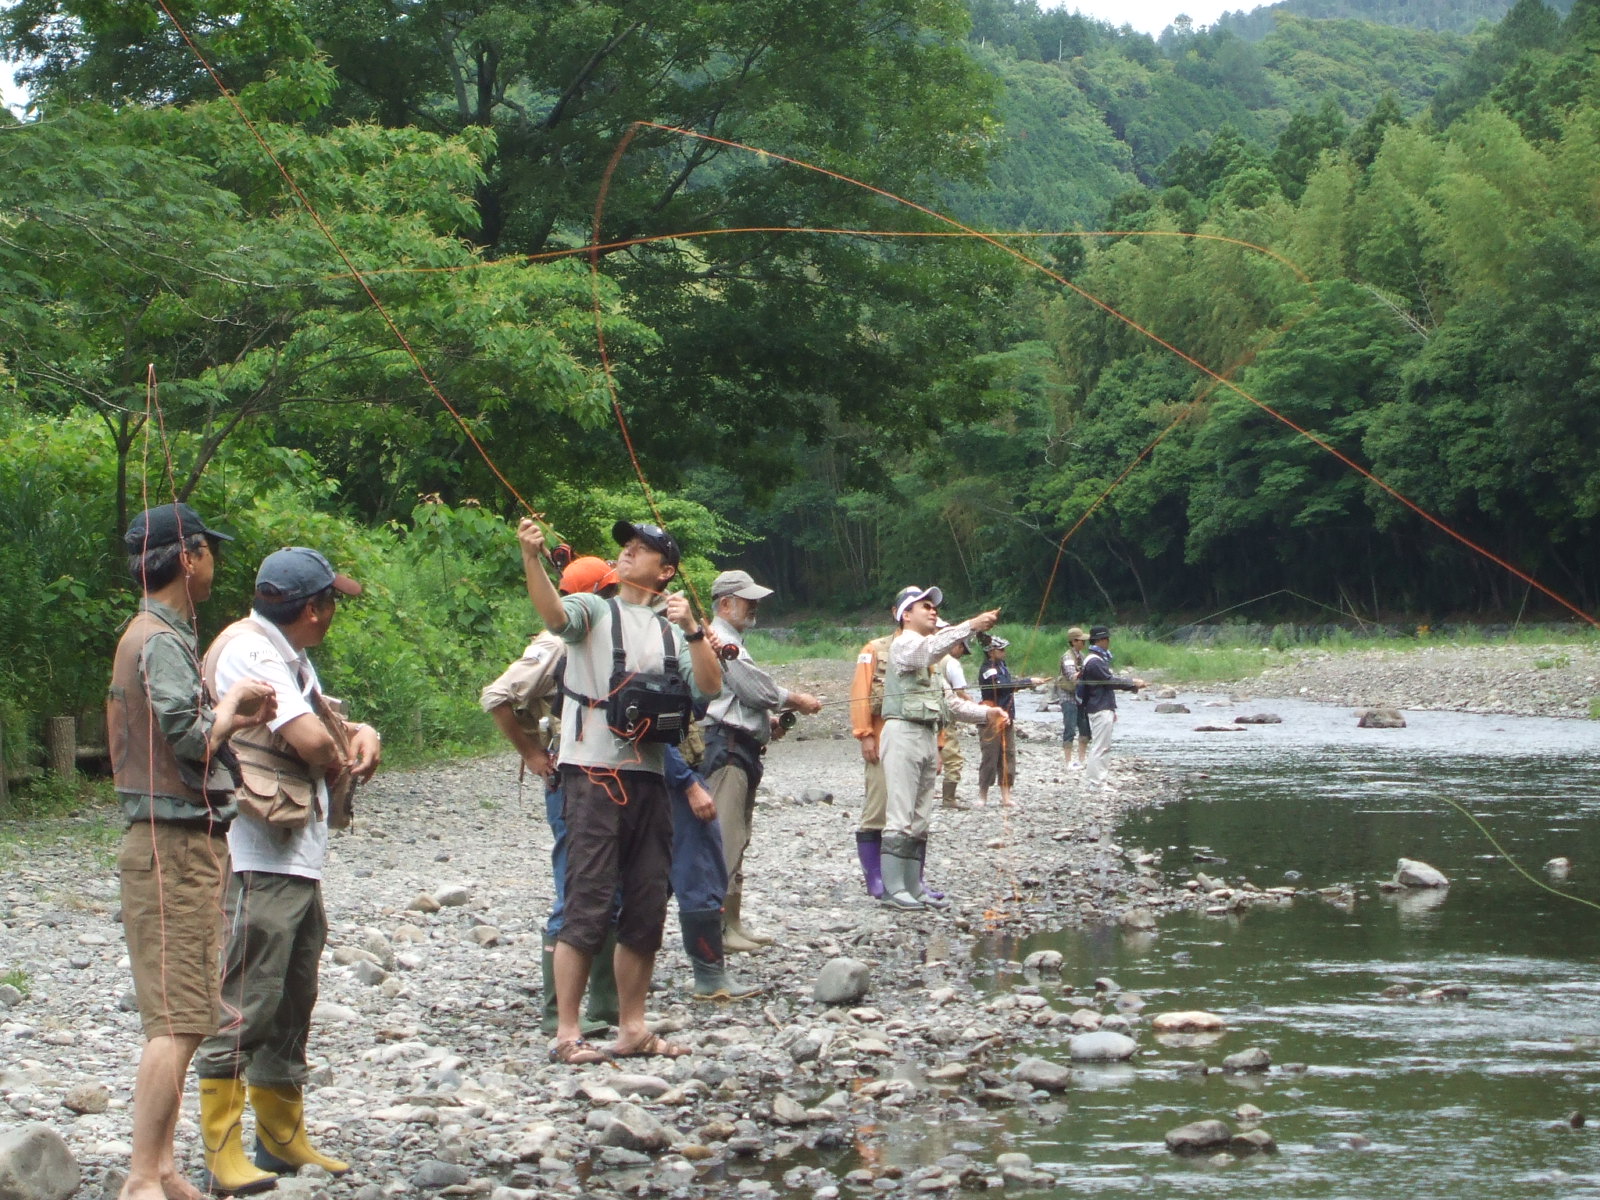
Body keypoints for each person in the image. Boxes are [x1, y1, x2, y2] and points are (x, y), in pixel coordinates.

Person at [481, 557, 754, 1013]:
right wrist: (532, 755)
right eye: (610, 584)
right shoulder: (568, 634)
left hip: (646, 771)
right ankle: (561, 1015)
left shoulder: (640, 629)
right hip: (590, 773)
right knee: (584, 890)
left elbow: (698, 690)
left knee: (631, 888)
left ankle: (608, 1009)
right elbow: (498, 694)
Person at [193, 548, 381, 1195]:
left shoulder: (286, 653)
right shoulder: (252, 650)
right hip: (257, 855)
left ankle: (281, 1137)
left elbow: (325, 720)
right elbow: (305, 739)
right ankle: (222, 1149)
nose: (333, 614)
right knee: (247, 996)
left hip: (293, 856)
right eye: (331, 602)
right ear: (313, 609)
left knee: (294, 993)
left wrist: (363, 732)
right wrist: (340, 756)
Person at [109, 503, 277, 1200]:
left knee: (188, 1012)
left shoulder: (158, 635)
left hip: (178, 846)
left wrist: (230, 712)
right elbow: (188, 738)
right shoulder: (157, 638)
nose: (214, 563)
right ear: (188, 558)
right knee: (176, 1022)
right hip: (170, 846)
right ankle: (142, 1176)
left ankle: (168, 1168)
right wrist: (234, 703)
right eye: (209, 551)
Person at [517, 517, 722, 1065]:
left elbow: (709, 685)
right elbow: (553, 614)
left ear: (667, 569)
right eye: (627, 547)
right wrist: (532, 559)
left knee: (648, 903)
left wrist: (696, 629)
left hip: (651, 779)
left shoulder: (672, 627)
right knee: (587, 902)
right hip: (591, 777)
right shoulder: (593, 610)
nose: (629, 552)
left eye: (643, 549)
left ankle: (632, 1026)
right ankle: (566, 1033)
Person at [701, 569, 822, 952]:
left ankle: (733, 923)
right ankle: (716, 930)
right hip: (726, 749)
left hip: (744, 746)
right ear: (725, 604)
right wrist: (795, 699)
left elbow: (738, 697)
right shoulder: (718, 640)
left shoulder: (733, 640)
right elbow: (755, 689)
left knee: (740, 836)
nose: (754, 606)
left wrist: (766, 723)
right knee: (726, 838)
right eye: (747, 600)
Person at [879, 586, 1005, 911]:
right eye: (925, 606)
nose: (933, 610)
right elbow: (929, 649)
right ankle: (893, 890)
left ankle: (912, 886)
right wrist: (972, 625)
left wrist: (986, 713)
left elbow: (949, 702)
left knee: (921, 815)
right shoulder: (905, 645)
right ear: (905, 614)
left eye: (935, 607)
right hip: (902, 732)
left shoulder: (933, 663)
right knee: (901, 813)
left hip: (926, 735)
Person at [974, 636, 1049, 809]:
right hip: (991, 719)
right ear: (991, 652)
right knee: (990, 756)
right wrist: (1028, 682)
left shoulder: (1002, 666)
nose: (1004, 653)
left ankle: (1006, 796)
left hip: (1007, 717)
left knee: (1008, 755)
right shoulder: (987, 669)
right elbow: (1001, 687)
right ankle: (982, 796)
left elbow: (1008, 685)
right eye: (1001, 650)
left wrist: (1026, 682)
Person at [848, 629, 894, 899]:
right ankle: (874, 878)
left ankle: (911, 879)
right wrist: (865, 735)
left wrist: (939, 745)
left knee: (912, 814)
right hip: (880, 741)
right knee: (877, 809)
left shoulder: (928, 651)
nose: (931, 613)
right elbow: (859, 694)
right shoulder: (873, 650)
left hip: (914, 745)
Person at [1078, 624, 1146, 787]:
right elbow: (1109, 682)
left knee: (1102, 746)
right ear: (1100, 640)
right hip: (1099, 707)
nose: (1109, 642)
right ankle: (1096, 782)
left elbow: (1106, 682)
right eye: (1107, 639)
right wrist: (1132, 683)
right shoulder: (1094, 661)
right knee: (1101, 747)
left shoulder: (1096, 659)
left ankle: (1096, 780)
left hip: (1101, 706)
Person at [938, 629, 973, 810]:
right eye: (962, 650)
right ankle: (949, 798)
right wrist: (978, 707)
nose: (962, 655)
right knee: (953, 758)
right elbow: (960, 693)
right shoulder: (952, 663)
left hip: (925, 715)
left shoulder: (932, 659)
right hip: (945, 718)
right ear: (956, 645)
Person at [1057, 626, 1091, 770]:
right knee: (1070, 728)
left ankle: (1082, 760)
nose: (1084, 643)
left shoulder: (1082, 657)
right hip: (1068, 696)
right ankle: (1068, 761)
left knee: (1085, 729)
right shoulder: (1067, 657)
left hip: (1080, 696)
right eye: (1081, 640)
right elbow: (1072, 676)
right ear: (1074, 641)